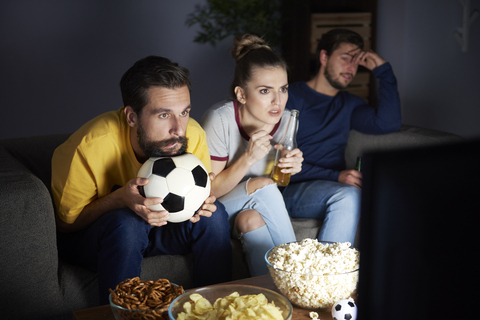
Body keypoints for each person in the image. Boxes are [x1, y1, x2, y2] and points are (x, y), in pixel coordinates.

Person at [51, 56, 232, 304]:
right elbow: (66, 226)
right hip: (100, 238)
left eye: (184, 112)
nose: (178, 128)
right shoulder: (88, 147)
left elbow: (198, 202)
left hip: (160, 229)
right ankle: (121, 313)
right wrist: (119, 199)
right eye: (163, 115)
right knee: (128, 222)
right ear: (132, 117)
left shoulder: (192, 134)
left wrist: (202, 203)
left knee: (216, 215)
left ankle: (217, 309)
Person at [281, 29, 402, 245]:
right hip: (292, 187)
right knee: (349, 197)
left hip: (333, 187)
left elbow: (388, 123)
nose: (351, 68)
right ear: (324, 57)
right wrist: (335, 176)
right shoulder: (292, 97)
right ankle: (331, 275)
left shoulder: (350, 104)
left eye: (356, 62)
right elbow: (279, 160)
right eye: (345, 58)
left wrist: (384, 70)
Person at [200, 34, 302, 276]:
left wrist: (290, 167)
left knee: (250, 220)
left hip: (247, 206)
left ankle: (270, 297)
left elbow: (276, 187)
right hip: (210, 210)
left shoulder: (286, 119)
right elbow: (208, 192)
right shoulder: (220, 118)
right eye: (265, 90)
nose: (278, 100)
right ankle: (300, 269)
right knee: (262, 184)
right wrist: (248, 158)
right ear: (242, 94)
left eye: (283, 89)